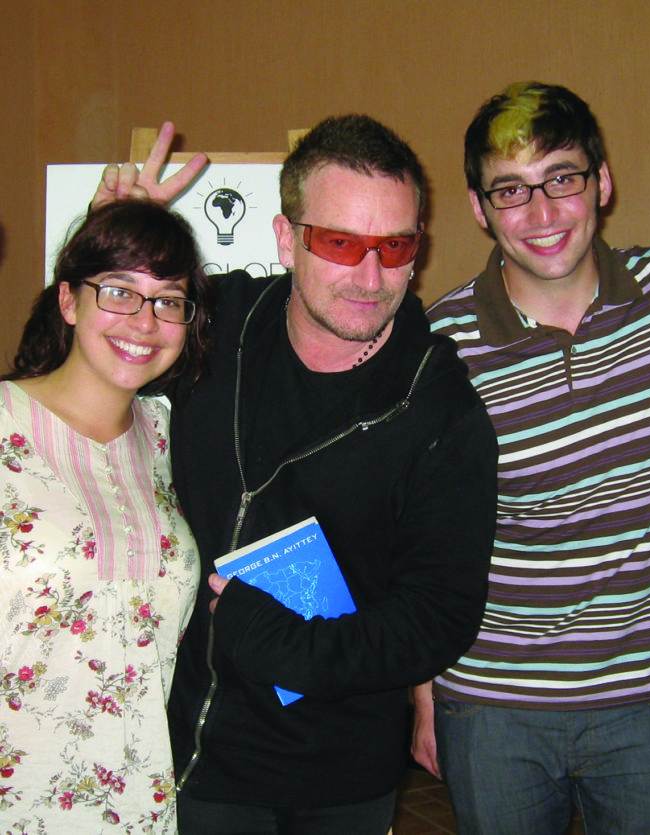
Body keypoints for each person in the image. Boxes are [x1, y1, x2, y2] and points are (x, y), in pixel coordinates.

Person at [93, 116, 498, 832]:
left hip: (339, 770)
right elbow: (79, 377)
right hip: (185, 748)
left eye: (395, 246)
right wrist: (112, 256)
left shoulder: (439, 407)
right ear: (286, 239)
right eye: (340, 243)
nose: (370, 278)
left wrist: (283, 643)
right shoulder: (211, 327)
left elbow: (439, 616)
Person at [411, 80, 650, 835]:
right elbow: (419, 532)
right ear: (478, 208)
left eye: (561, 178)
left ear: (602, 181)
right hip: (492, 702)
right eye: (511, 191)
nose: (540, 214)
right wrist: (424, 689)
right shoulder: (442, 344)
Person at [0, 200, 210, 831]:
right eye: (119, 291)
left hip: (139, 805)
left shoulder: (171, 436)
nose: (144, 321)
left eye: (168, 299)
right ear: (68, 302)